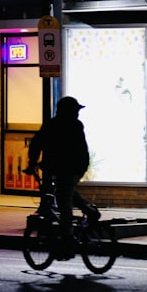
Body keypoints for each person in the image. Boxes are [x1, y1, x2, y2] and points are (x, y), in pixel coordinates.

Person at [24, 96, 100, 256]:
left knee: (63, 200)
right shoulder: (72, 125)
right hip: (67, 168)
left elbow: (37, 143)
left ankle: (67, 237)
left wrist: (32, 163)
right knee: (67, 193)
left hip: (68, 168)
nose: (77, 114)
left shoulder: (55, 125)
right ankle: (89, 211)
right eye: (75, 111)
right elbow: (38, 143)